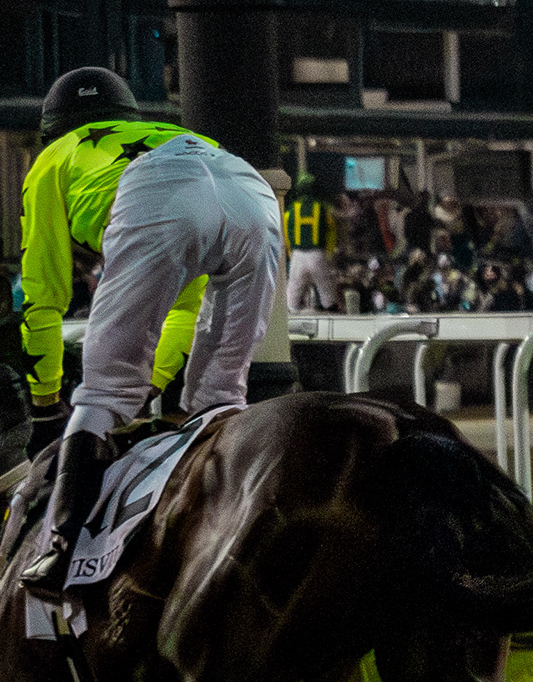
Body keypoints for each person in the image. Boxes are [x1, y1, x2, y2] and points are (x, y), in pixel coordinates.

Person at [14, 67, 285, 595]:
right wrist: (156, 384)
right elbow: (184, 311)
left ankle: (59, 554)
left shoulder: (52, 159)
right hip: (248, 188)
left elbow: (43, 295)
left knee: (101, 394)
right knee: (221, 398)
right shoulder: (173, 135)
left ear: (54, 130)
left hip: (159, 196)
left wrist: (48, 402)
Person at [282, 169, 343, 311]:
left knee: (292, 295)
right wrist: (330, 251)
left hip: (297, 255)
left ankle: (290, 325)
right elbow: (332, 229)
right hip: (318, 254)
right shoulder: (322, 209)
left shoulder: (290, 211)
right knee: (326, 290)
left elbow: (286, 235)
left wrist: (290, 253)